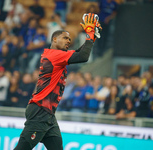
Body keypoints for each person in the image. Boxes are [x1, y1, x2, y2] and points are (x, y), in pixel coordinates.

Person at [14, 13, 101, 150]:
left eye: (70, 39)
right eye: (65, 38)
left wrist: (92, 37)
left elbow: (79, 52)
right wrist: (90, 35)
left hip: (48, 114)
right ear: (54, 39)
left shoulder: (54, 55)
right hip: (40, 111)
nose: (68, 41)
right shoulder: (56, 55)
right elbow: (83, 56)